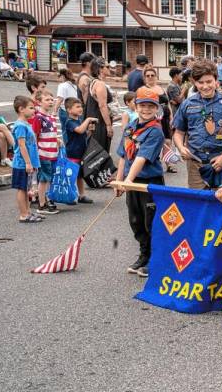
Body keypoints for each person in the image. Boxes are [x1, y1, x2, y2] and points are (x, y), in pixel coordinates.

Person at [113, 87, 166, 278]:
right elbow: (123, 157)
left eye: (150, 106)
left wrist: (128, 180)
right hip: (131, 181)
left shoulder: (155, 131)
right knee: (135, 220)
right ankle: (144, 255)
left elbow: (141, 158)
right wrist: (119, 182)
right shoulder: (131, 127)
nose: (146, 109)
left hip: (148, 182)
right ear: (135, 106)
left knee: (152, 222)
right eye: (142, 105)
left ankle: (155, 259)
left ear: (156, 108)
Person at [173, 59, 222, 189]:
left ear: (216, 80)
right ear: (194, 82)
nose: (205, 86)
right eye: (201, 82)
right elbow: (178, 133)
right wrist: (180, 147)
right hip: (196, 164)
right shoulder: (187, 104)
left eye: (209, 81)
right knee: (199, 204)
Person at [11, 96, 42, 223]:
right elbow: (22, 145)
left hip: (29, 163)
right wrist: (28, 162)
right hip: (22, 163)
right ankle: (23, 214)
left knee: (27, 189)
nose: (34, 110)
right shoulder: (19, 126)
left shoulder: (26, 124)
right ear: (21, 109)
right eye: (31, 108)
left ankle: (28, 212)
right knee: (22, 189)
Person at [31, 90, 60, 215]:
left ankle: (47, 200)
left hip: (52, 152)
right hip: (43, 153)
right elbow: (35, 136)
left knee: (50, 178)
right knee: (44, 179)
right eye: (47, 100)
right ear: (39, 102)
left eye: (51, 99)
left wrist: (57, 140)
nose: (50, 102)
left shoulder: (51, 117)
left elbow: (50, 134)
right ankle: (41, 204)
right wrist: (36, 152)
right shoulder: (38, 117)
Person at [142, 66, 176, 173]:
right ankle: (153, 164)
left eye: (152, 75)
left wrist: (171, 117)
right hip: (153, 120)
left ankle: (169, 164)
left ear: (156, 77)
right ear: (145, 78)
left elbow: (168, 103)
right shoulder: (144, 90)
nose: (150, 77)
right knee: (156, 142)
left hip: (165, 118)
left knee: (168, 141)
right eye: (148, 76)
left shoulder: (161, 88)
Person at [64, 97, 96, 204]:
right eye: (77, 107)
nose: (80, 108)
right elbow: (80, 130)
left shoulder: (78, 120)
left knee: (79, 175)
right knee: (72, 175)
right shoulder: (70, 122)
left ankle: (81, 195)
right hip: (73, 152)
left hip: (81, 151)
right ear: (69, 110)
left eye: (81, 106)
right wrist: (87, 120)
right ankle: (69, 195)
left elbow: (83, 134)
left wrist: (90, 131)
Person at [85, 57, 115, 153]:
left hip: (94, 121)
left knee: (95, 151)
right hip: (100, 122)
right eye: (107, 66)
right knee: (101, 152)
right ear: (100, 69)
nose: (110, 68)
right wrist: (109, 125)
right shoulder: (100, 84)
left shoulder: (93, 82)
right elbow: (102, 106)